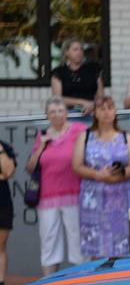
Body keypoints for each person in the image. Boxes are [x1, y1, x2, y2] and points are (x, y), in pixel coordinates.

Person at [71, 96, 130, 260]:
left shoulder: (125, 137)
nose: (107, 112)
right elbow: (77, 165)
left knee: (121, 241)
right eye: (102, 109)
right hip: (94, 198)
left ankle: (120, 280)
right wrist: (98, 175)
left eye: (110, 108)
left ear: (115, 112)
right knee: (97, 245)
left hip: (120, 197)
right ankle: (98, 281)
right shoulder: (85, 136)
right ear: (95, 113)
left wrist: (119, 176)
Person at [26, 97, 88, 275]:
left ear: (67, 113)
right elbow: (30, 168)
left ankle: (82, 280)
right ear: (47, 114)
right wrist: (41, 147)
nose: (57, 115)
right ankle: (49, 283)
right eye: (52, 111)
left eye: (60, 110)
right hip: (47, 196)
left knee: (77, 238)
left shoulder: (78, 129)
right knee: (48, 240)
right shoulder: (43, 134)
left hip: (73, 193)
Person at [51, 37, 103, 119]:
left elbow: (101, 96)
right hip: (69, 115)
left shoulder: (93, 70)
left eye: (81, 49)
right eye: (75, 50)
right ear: (66, 52)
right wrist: (82, 102)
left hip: (92, 112)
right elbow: (57, 99)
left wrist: (93, 105)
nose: (79, 52)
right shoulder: (59, 72)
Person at [0, 141, 14, 285]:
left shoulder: (5, 147)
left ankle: (1, 284)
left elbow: (8, 172)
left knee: (0, 246)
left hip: (2, 203)